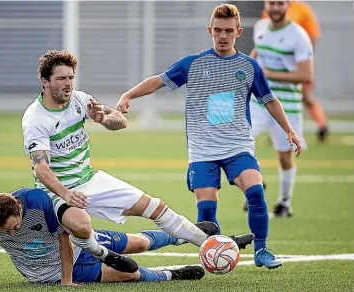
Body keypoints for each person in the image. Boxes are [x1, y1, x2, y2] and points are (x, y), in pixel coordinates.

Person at [21, 50, 253, 272]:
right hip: (56, 192)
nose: (68, 83)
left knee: (155, 206)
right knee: (81, 225)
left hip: (89, 179)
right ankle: (103, 254)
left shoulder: (80, 100)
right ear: (45, 82)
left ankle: (214, 244)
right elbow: (41, 168)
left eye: (71, 77)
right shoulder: (36, 119)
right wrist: (66, 194)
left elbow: (120, 122)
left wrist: (103, 119)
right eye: (61, 78)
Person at [115, 3, 303, 269]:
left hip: (238, 147)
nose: (222, 36)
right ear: (210, 31)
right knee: (206, 211)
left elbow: (269, 100)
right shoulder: (193, 64)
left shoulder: (249, 67)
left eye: (228, 30)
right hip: (203, 151)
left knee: (256, 193)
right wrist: (128, 95)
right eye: (217, 30)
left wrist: (289, 129)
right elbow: (158, 80)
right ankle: (213, 253)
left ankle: (262, 250)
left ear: (238, 31)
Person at [0, 189, 206, 287]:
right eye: (5, 232)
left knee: (139, 243)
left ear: (19, 208)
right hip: (47, 274)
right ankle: (174, 275)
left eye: (14, 227)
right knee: (129, 275)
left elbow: (65, 237)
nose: (11, 234)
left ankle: (182, 236)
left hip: (77, 245)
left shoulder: (37, 201)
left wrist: (68, 282)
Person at [247, 0, 314, 218]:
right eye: (271, 3)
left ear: (287, 5)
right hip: (258, 102)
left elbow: (306, 75)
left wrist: (268, 74)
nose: (275, 8)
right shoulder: (260, 26)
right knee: (238, 143)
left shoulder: (298, 36)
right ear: (266, 5)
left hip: (287, 105)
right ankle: (256, 185)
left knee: (285, 156)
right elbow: (257, 53)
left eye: (280, 3)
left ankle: (284, 202)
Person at [261, 0, 329, 142]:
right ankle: (278, 130)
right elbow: (266, 36)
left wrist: (303, 58)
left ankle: (322, 125)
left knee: (304, 95)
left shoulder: (302, 9)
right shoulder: (269, 10)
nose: (276, 7)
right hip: (275, 62)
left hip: (296, 64)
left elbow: (312, 35)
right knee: (274, 95)